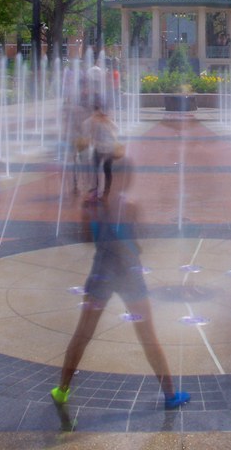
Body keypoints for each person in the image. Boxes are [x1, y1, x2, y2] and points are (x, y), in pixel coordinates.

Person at [50, 158, 189, 410]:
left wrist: (92, 216)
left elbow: (86, 238)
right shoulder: (129, 206)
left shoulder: (93, 205)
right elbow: (138, 239)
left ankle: (62, 390)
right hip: (129, 276)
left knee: (82, 334)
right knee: (148, 336)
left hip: (101, 274)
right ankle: (170, 395)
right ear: (123, 177)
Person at [82, 103, 120, 200]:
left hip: (106, 149)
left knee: (104, 170)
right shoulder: (93, 121)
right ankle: (99, 191)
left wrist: (107, 122)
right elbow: (86, 133)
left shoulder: (103, 120)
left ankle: (103, 192)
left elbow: (116, 129)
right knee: (99, 170)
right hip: (101, 148)